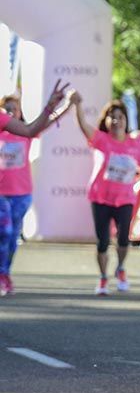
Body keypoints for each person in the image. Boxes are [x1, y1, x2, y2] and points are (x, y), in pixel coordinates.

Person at [70, 93, 140, 295]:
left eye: (120, 117)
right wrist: (77, 105)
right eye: (112, 117)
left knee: (123, 239)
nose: (117, 121)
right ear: (106, 121)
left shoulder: (135, 144)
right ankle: (103, 278)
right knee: (102, 241)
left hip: (124, 198)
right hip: (100, 197)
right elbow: (83, 125)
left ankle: (121, 267)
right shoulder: (101, 139)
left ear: (126, 121)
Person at [0, 89, 71, 295]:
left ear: (20, 112)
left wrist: (63, 107)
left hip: (21, 193)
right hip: (1, 193)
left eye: (14, 109)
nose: (11, 112)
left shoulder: (24, 134)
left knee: (12, 236)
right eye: (7, 109)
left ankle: (5, 273)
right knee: (4, 232)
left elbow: (41, 125)